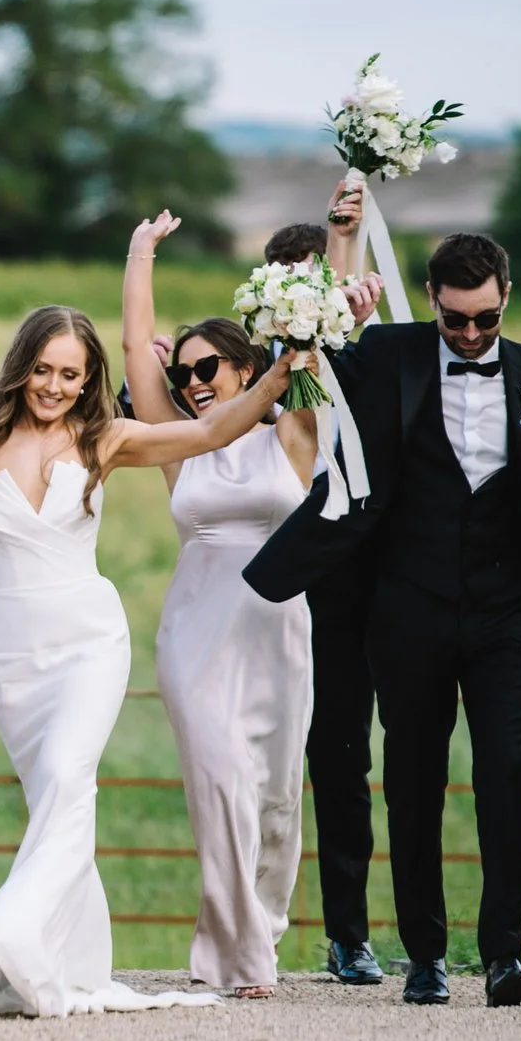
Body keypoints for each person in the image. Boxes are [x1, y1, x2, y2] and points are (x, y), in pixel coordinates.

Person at [0, 298, 302, 1018]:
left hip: (90, 639)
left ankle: (9, 937)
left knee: (67, 778)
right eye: (43, 370)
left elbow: (209, 430)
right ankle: (63, 964)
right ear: (20, 366)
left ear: (89, 379)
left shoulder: (105, 437)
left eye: (70, 374)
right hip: (13, 649)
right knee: (54, 802)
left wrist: (279, 374)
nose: (54, 386)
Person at [245, 232, 521, 1008]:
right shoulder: (389, 355)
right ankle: (425, 954)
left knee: (506, 775)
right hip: (408, 609)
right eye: (455, 320)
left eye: (485, 318)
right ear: (430, 299)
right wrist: (334, 322)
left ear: (506, 297)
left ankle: (505, 953)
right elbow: (310, 385)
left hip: (505, 612)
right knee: (413, 782)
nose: (472, 334)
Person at [122, 211, 330, 998]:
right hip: (196, 635)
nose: (193, 382)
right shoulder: (179, 443)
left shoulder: (292, 435)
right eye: (182, 375)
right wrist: (141, 252)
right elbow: (133, 348)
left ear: (248, 365)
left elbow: (317, 340)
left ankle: (254, 930)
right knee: (218, 787)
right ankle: (241, 957)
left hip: (278, 633)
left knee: (275, 797)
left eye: (207, 366)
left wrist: (337, 246)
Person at [293, 175, 391, 985]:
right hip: (269, 591)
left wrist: (345, 233)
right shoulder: (248, 371)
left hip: (350, 592)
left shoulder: (363, 365)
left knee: (343, 759)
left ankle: (348, 933)